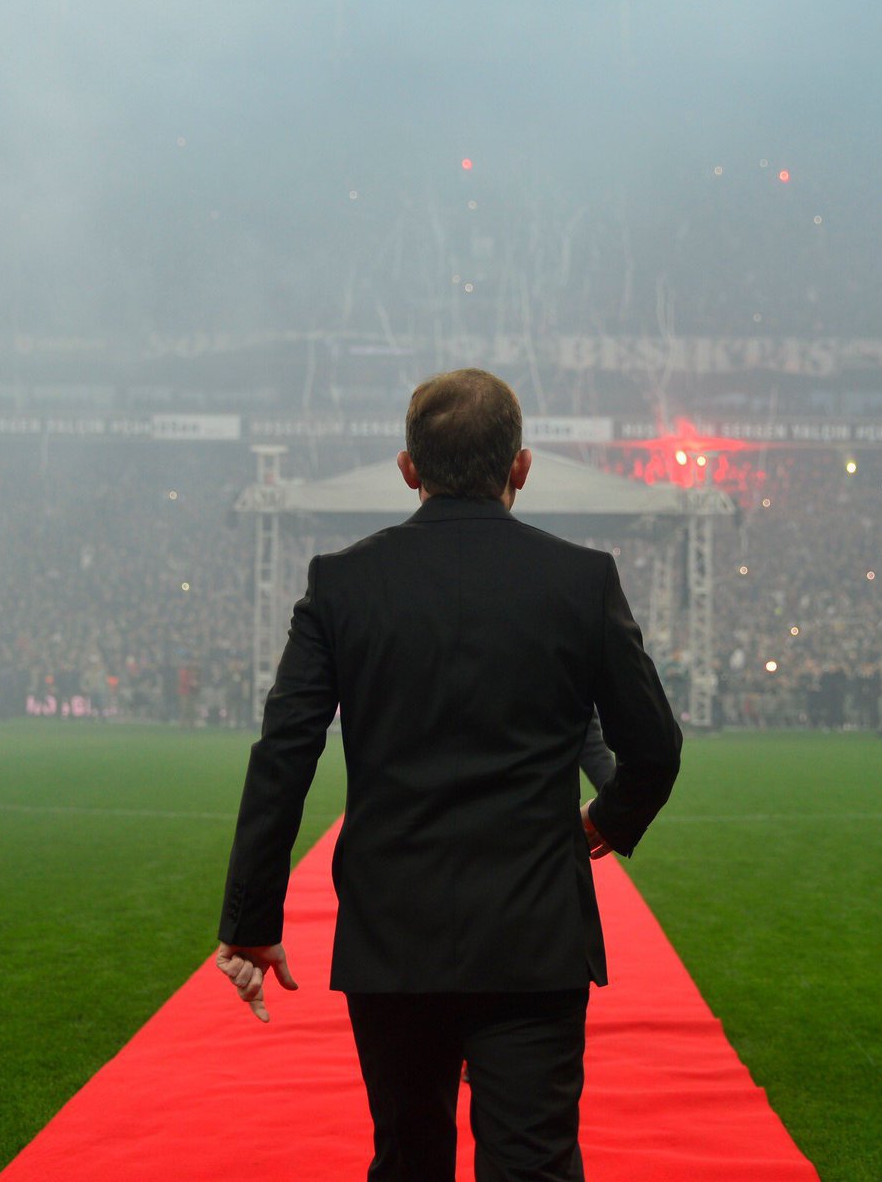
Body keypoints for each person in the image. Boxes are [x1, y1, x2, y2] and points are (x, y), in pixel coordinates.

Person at [216, 368, 682, 1182]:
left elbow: (284, 753)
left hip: (393, 931)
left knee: (407, 1155)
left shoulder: (341, 583)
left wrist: (253, 914)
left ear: (408, 469)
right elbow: (656, 748)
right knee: (532, 1164)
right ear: (521, 468)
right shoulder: (581, 580)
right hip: (534, 931)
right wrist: (611, 817)